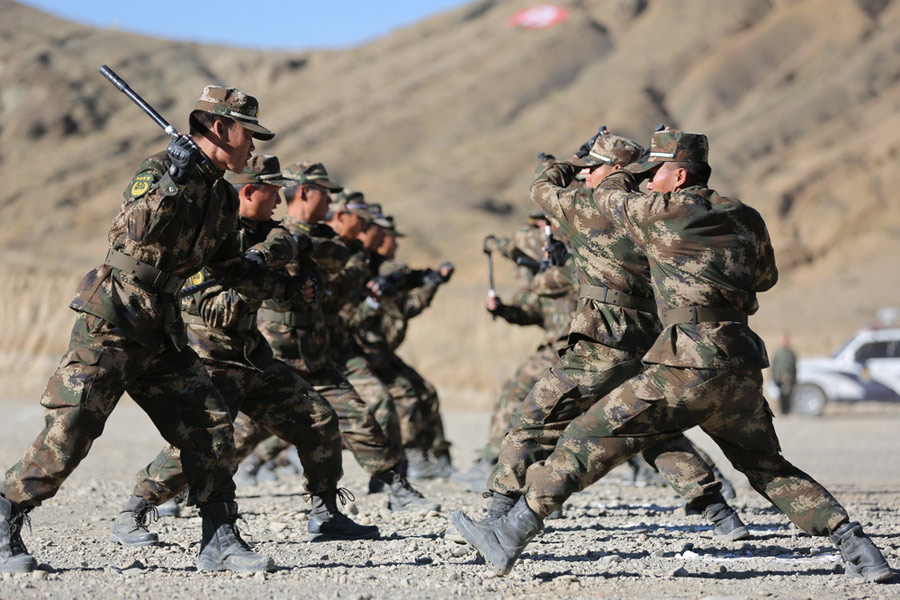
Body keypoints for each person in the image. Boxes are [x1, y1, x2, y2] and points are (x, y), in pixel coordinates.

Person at [451, 129, 893, 584]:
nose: (648, 181)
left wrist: (610, 167)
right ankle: (857, 545)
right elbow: (765, 278)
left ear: (679, 175)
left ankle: (511, 533)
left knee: (585, 435)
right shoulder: (746, 216)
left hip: (686, 362)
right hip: (740, 364)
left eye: (655, 171)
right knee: (768, 467)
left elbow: (607, 199)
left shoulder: (659, 213)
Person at [0, 85, 308, 573]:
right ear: (218, 128)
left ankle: (220, 539)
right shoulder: (159, 170)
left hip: (162, 328)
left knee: (209, 427)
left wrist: (286, 288)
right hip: (115, 318)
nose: (252, 147)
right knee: (72, 429)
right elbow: (131, 234)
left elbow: (229, 268)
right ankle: (6, 515)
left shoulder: (224, 198)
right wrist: (175, 183)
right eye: (247, 134)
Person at [459, 130, 745, 538]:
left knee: (533, 420)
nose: (586, 175)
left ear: (612, 170)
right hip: (647, 339)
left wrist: (565, 165)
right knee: (650, 431)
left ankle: (497, 513)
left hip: (602, 340)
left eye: (592, 168)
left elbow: (541, 186)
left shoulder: (586, 206)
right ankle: (719, 512)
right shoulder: (650, 210)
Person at [109, 155, 377, 556]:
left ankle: (325, 513)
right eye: (272, 190)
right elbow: (215, 310)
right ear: (249, 191)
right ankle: (134, 509)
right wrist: (263, 280)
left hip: (255, 356)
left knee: (317, 418)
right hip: (212, 358)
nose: (280, 200)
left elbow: (317, 249)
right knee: (201, 444)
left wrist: (287, 263)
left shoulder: (267, 232)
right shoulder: (215, 237)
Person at [237, 167, 438, 512]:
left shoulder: (319, 237)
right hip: (273, 355)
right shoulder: (265, 234)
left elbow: (337, 256)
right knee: (241, 432)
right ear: (303, 193)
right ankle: (159, 494)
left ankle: (387, 490)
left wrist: (300, 244)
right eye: (323, 193)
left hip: (315, 354)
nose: (329, 201)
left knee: (356, 417)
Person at [346, 213, 455, 480]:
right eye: (386, 237)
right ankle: (411, 457)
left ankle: (437, 456)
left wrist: (432, 282)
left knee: (425, 391)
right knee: (399, 396)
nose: (392, 243)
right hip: (355, 352)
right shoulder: (357, 267)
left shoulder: (387, 271)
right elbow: (356, 315)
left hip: (379, 351)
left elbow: (404, 306)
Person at [771, 331, 798, 414]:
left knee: (788, 394)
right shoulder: (778, 352)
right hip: (779, 378)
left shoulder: (791, 353)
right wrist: (772, 376)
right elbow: (774, 365)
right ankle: (782, 410)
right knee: (781, 395)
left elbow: (794, 366)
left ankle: (787, 410)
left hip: (789, 378)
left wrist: (794, 377)